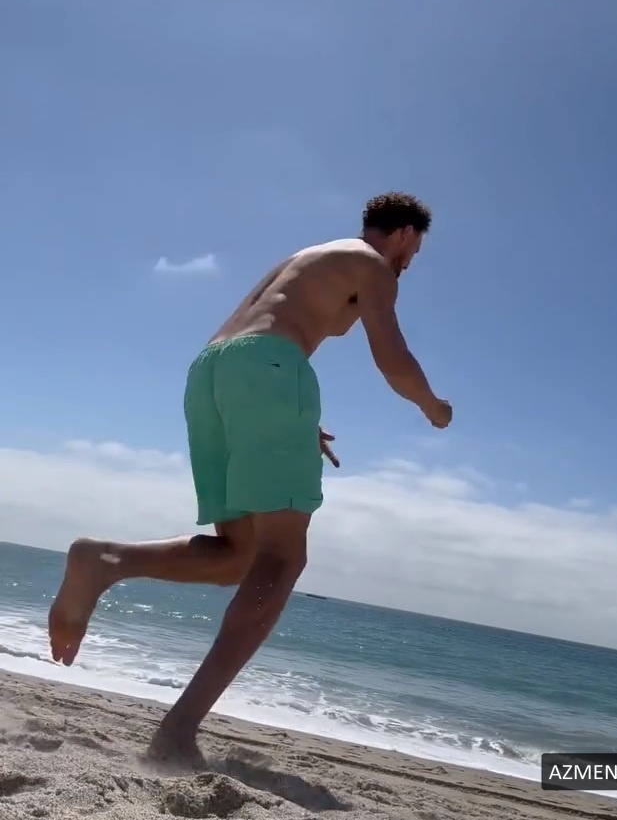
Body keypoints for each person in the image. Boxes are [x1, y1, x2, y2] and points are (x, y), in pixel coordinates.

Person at [48, 191, 452, 762]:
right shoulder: (373, 265)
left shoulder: (309, 257)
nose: (409, 264)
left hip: (212, 372)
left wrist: (294, 419)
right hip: (269, 370)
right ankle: (177, 732)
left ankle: (106, 560)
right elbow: (393, 360)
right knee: (281, 559)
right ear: (406, 234)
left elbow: (255, 342)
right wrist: (434, 407)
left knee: (239, 556)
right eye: (415, 251)